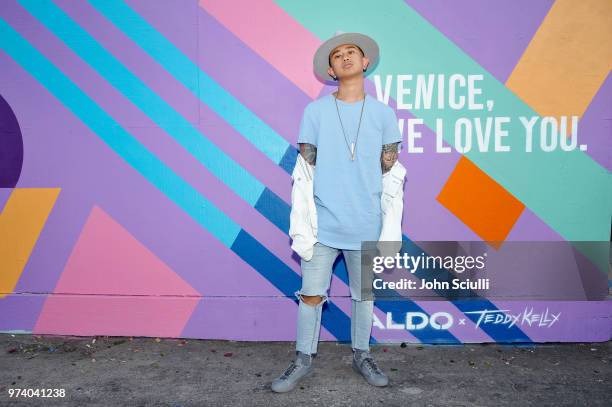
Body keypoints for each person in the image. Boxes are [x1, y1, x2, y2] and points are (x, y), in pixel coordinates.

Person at [271, 32, 404, 393]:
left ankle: (362, 354)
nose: (345, 57)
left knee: (364, 295)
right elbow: (306, 165)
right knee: (311, 295)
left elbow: (389, 167)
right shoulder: (314, 112)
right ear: (331, 70)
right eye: (338, 55)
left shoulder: (383, 113)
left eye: (352, 53)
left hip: (365, 225)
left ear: (365, 63)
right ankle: (302, 359)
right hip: (323, 224)